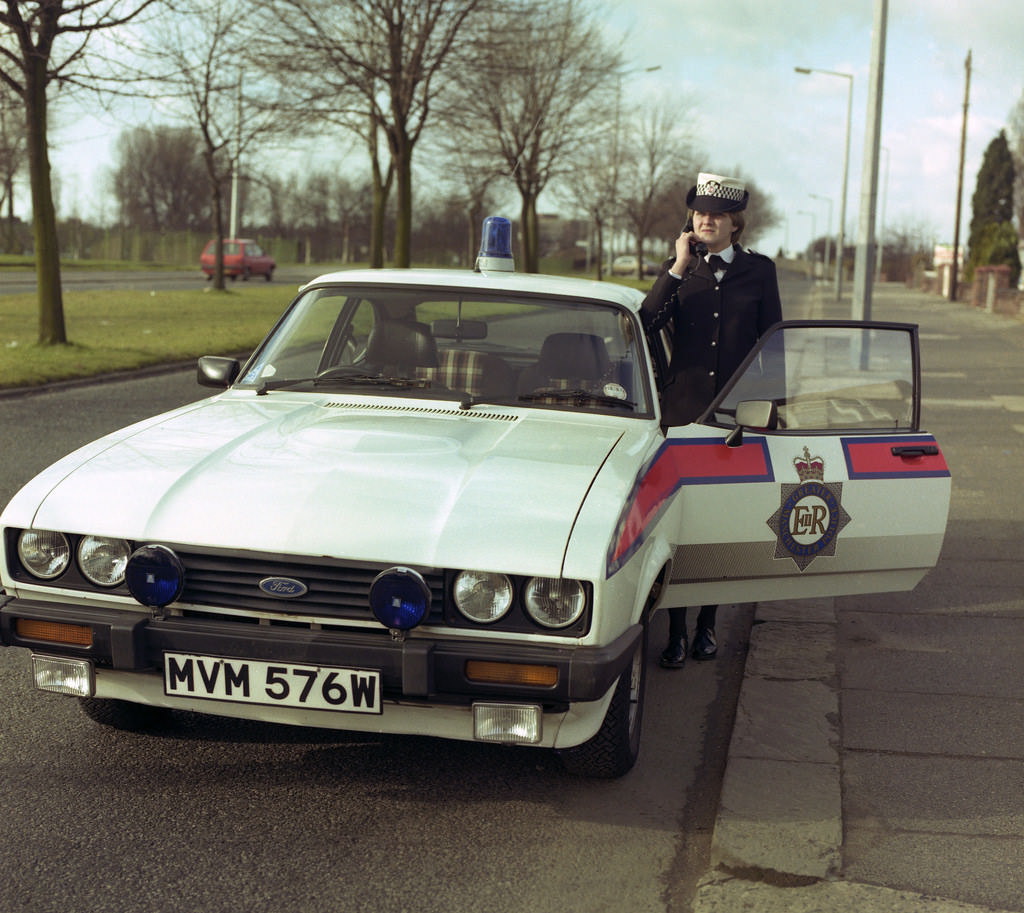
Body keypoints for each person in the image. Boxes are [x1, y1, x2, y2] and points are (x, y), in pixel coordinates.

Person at [639, 172, 783, 669]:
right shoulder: (678, 270)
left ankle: (707, 626)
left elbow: (773, 345)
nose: (706, 220)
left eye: (716, 214)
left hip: (734, 418)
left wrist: (770, 412)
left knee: (723, 521)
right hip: (683, 416)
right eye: (699, 213)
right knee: (682, 524)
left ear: (734, 223)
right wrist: (677, 267)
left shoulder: (759, 273)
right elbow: (645, 323)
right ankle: (675, 631)